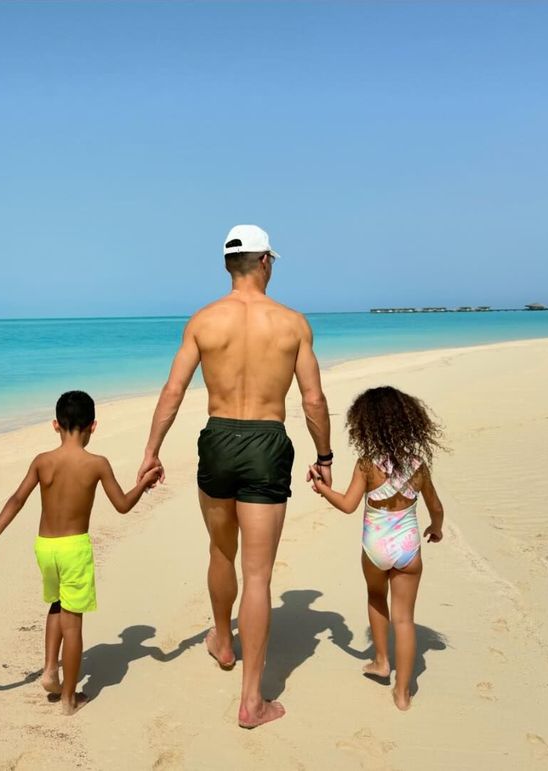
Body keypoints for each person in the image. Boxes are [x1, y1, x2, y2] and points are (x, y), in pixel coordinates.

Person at [136, 224, 332, 729]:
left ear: (228, 265)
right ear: (266, 261)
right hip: (267, 441)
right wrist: (325, 455)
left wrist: (151, 452)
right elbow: (312, 399)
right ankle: (252, 700)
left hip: (218, 438)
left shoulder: (204, 321)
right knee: (259, 575)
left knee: (221, 551)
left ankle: (222, 641)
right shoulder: (291, 323)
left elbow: (173, 391)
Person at [0, 390, 162, 715]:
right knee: (73, 622)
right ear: (93, 426)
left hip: (45, 547)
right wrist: (143, 484)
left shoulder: (42, 461)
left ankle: (50, 669)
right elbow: (122, 506)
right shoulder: (96, 464)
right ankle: (68, 698)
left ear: (54, 425)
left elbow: (16, 499)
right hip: (74, 548)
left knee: (56, 603)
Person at [308, 386, 446, 711]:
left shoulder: (367, 464)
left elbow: (347, 505)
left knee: (375, 597)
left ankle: (381, 660)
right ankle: (402, 692)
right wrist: (435, 528)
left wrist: (322, 487)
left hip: (375, 547)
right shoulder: (419, 466)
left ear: (365, 424)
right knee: (405, 619)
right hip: (409, 548)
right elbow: (436, 508)